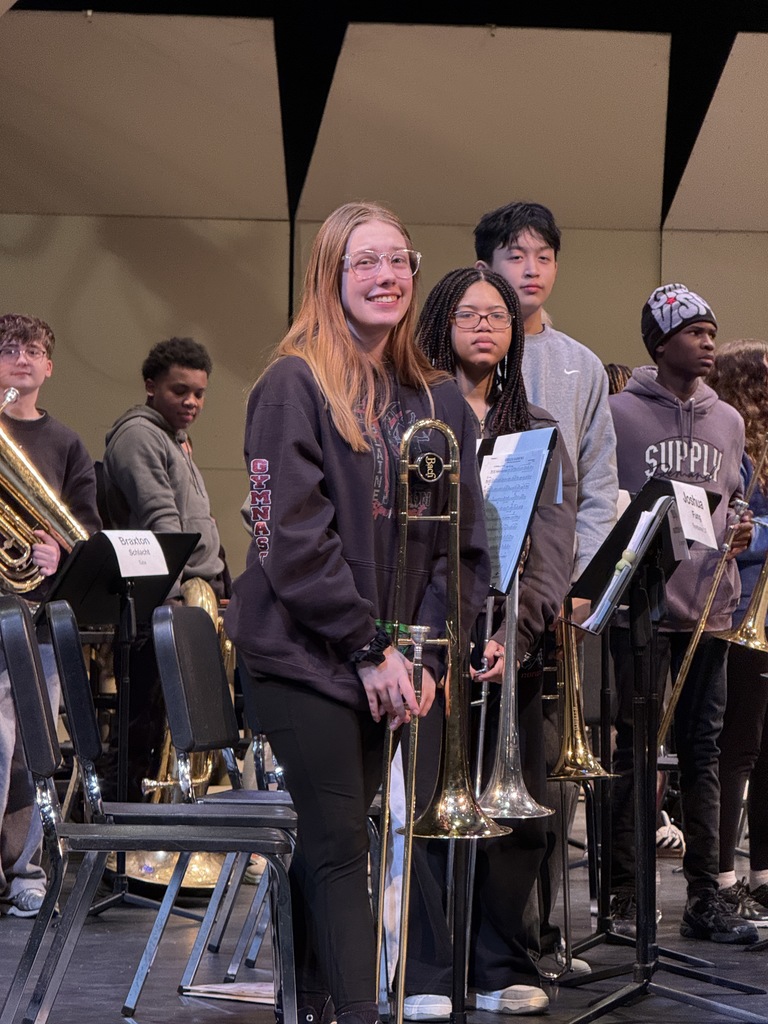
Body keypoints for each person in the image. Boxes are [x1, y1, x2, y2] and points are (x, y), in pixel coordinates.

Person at [224, 203, 490, 1024]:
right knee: (342, 845)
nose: (387, 278)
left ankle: (316, 1009)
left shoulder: (436, 398)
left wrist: (427, 658)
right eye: (365, 262)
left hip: (392, 663)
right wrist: (370, 648)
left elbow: (462, 549)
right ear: (329, 276)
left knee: (339, 843)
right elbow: (293, 543)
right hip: (303, 659)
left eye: (399, 261)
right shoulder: (292, 383)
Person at [401, 267, 576, 1018]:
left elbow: (552, 547)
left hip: (513, 645)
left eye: (498, 316)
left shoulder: (537, 427)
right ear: (439, 322)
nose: (484, 327)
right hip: (430, 643)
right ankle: (428, 968)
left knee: (514, 813)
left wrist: (517, 626)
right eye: (468, 314)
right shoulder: (408, 415)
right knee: (429, 811)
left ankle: (501, 961)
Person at [474, 200, 618, 952]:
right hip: (473, 595)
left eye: (543, 256)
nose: (530, 269)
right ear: (487, 265)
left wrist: (576, 583)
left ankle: (541, 936)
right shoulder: (454, 354)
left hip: (553, 598)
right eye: (515, 254)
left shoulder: (581, 365)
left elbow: (597, 485)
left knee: (545, 776)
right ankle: (473, 938)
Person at [608, 283, 757, 944]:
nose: (709, 342)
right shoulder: (618, 413)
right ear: (661, 341)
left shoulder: (729, 421)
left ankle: (706, 897)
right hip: (641, 611)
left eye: (712, 330)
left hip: (711, 609)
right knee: (633, 754)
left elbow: (731, 501)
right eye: (695, 331)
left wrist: (741, 532)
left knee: (701, 754)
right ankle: (622, 893)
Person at [0, 313, 101, 917]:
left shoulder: (64, 443)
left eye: (33, 351)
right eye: (9, 349)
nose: (22, 359)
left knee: (32, 746)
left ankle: (26, 871)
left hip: (34, 613)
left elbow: (85, 525)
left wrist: (59, 548)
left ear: (49, 366)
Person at [101, 336, 226, 800]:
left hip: (185, 596)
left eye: (199, 393)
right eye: (180, 391)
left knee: (174, 732)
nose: (192, 402)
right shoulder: (139, 435)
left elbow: (199, 524)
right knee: (144, 733)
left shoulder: (175, 438)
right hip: (155, 603)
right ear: (151, 386)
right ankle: (126, 849)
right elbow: (161, 522)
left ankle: (161, 840)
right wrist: (173, 598)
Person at [708, 338, 768, 923]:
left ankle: (762, 873)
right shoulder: (736, 452)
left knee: (763, 750)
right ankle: (722, 874)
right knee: (738, 749)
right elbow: (733, 532)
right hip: (741, 613)